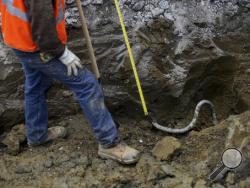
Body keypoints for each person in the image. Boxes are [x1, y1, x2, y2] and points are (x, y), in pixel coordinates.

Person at [0, 0, 140, 164]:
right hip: (38, 46)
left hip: (19, 38)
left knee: (36, 85)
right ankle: (109, 143)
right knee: (86, 84)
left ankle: (37, 135)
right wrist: (61, 53)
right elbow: (42, 25)